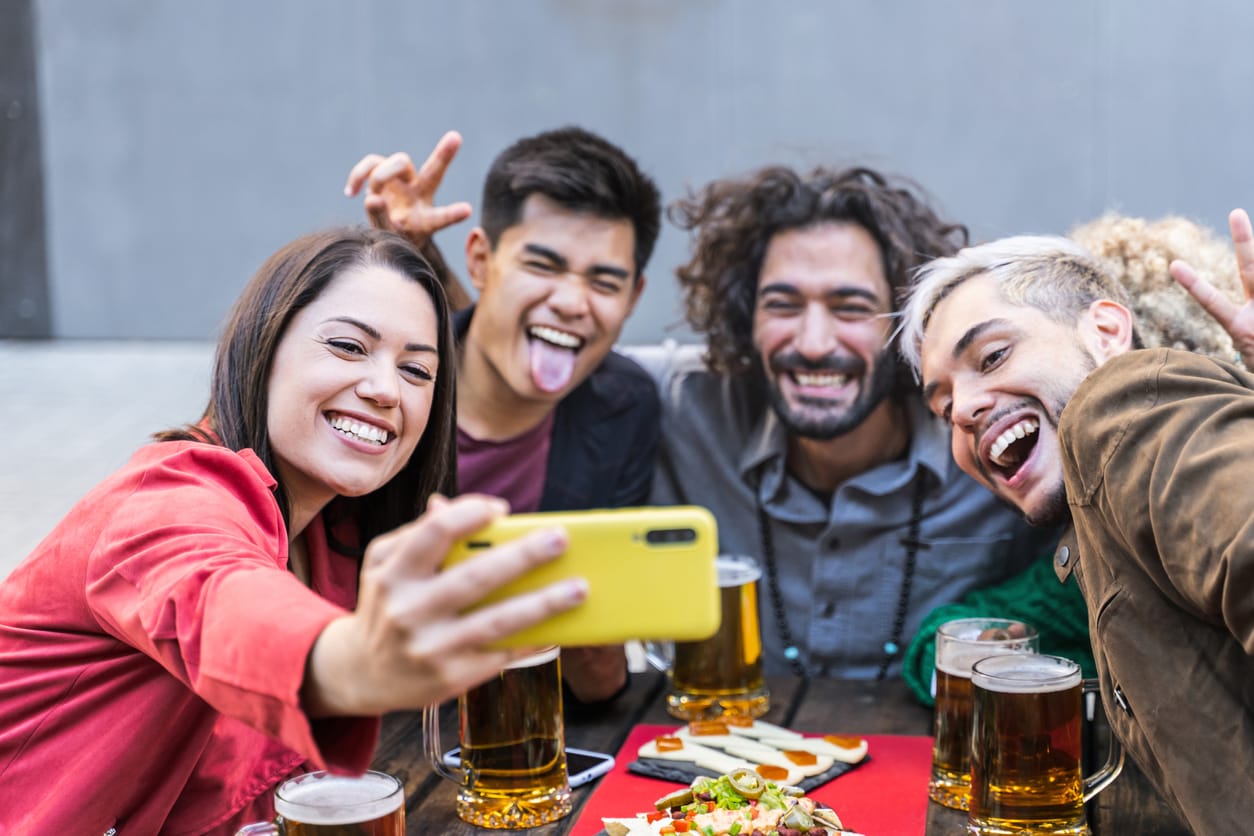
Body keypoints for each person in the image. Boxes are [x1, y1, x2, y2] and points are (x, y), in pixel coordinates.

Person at [0, 228, 588, 834]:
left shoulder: (337, 527)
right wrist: (357, 661)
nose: (386, 389)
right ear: (265, 344)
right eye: (348, 347)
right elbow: (225, 603)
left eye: (416, 369)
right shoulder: (166, 501)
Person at [900, 210, 1254, 835]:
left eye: (993, 355)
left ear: (1109, 330)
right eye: (943, 405)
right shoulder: (1096, 538)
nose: (963, 412)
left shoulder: (1122, 409)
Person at [634, 165, 1050, 680]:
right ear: (745, 319)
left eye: (850, 308)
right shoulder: (677, 406)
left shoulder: (992, 438)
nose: (812, 343)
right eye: (782, 305)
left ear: (911, 328)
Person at [344, 127, 661, 702]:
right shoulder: (383, 387)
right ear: (482, 260)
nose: (570, 301)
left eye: (604, 281)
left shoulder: (625, 405)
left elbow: (595, 675)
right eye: (542, 265)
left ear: (633, 299)